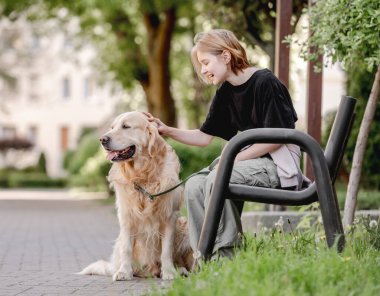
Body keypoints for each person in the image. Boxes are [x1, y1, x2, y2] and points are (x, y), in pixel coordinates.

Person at [145, 29, 302, 260]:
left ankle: (225, 257)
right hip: (249, 162)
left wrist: (231, 159)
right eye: (201, 65)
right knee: (195, 184)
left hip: (278, 165)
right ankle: (204, 257)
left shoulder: (265, 82)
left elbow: (276, 138)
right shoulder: (226, 92)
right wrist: (166, 130)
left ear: (226, 56)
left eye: (206, 62)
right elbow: (204, 136)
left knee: (218, 176)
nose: (203, 70)